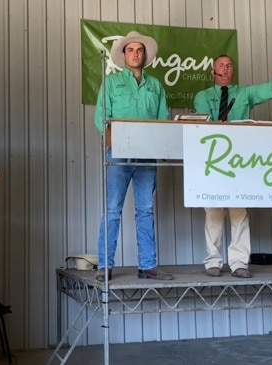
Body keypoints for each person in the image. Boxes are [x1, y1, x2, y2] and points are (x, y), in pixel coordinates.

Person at [193, 45, 272, 278]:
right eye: (221, 65)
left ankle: (239, 263)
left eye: (229, 65)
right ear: (212, 72)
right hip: (212, 161)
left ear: (234, 71)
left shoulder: (245, 93)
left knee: (239, 213)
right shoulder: (202, 97)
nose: (225, 68)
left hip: (239, 163)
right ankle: (213, 261)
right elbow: (205, 127)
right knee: (213, 213)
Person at [93, 31, 173, 282]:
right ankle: (105, 267)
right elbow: (100, 119)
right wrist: (118, 140)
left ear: (145, 55)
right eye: (131, 50)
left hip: (147, 156)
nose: (135, 54)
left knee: (146, 210)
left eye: (140, 50)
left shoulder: (156, 85)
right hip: (118, 154)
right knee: (112, 210)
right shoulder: (112, 83)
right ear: (123, 55)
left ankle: (148, 266)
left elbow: (163, 120)